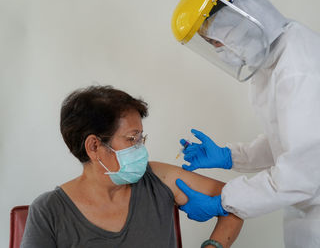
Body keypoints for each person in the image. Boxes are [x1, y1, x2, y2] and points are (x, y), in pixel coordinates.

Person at [170, 0, 320, 247]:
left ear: (240, 23)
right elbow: (291, 139)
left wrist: (224, 200)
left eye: (217, 42)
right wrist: (231, 156)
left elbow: (300, 171)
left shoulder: (299, 69)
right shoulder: (277, 57)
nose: (220, 53)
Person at [21, 85, 243, 248]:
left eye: (141, 138)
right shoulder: (49, 211)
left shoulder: (158, 178)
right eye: (131, 139)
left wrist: (213, 245)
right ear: (94, 145)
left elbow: (239, 201)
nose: (141, 148)